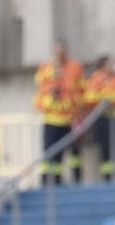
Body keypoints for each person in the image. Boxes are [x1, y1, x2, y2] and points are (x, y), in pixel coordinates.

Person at [33, 41, 84, 186]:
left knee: (74, 155)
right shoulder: (44, 69)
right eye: (56, 52)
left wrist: (77, 109)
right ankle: (49, 182)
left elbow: (81, 91)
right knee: (50, 153)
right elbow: (39, 99)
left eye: (61, 51)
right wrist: (52, 92)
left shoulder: (75, 67)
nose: (58, 55)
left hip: (71, 119)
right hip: (51, 119)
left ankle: (76, 180)